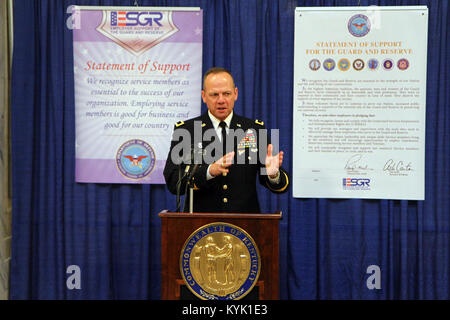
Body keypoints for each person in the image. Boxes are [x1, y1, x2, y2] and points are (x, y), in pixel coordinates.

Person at [163, 67, 289, 213]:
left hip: (244, 226)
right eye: (214, 94)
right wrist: (209, 171)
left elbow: (280, 186)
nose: (221, 100)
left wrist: (273, 174)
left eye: (226, 94)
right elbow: (173, 182)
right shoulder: (187, 130)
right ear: (204, 96)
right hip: (201, 225)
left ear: (235, 94)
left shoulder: (254, 129)